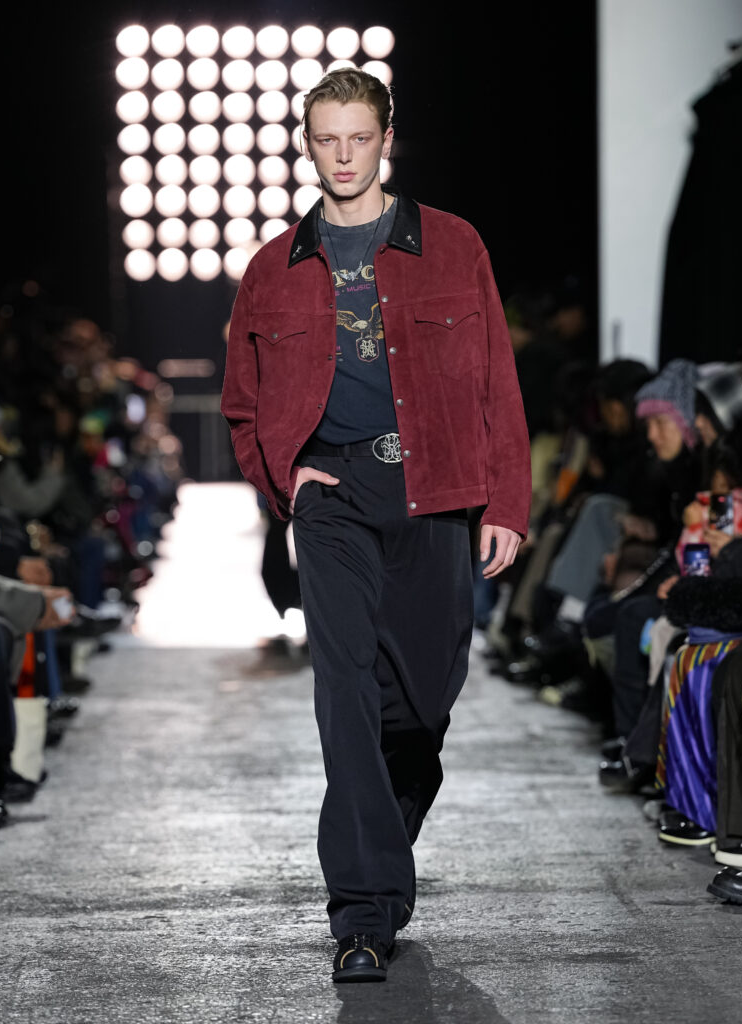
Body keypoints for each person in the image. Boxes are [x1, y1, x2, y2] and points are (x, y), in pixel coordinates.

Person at [222, 67, 531, 983]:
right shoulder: (272, 268)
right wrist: (285, 477)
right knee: (345, 692)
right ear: (307, 145)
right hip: (334, 498)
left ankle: (380, 852)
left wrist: (505, 502)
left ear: (386, 138)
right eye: (327, 139)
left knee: (422, 703)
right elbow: (243, 401)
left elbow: (497, 380)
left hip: (433, 487)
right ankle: (361, 913)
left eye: (359, 137)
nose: (344, 155)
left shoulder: (453, 244)